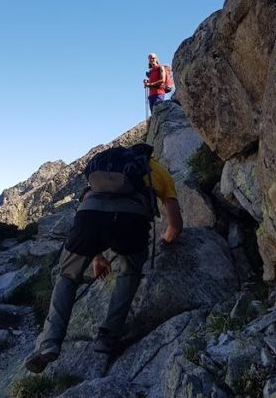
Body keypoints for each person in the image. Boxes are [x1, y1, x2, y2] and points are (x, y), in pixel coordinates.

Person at [24, 145, 183, 373]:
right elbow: (175, 226)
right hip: (130, 220)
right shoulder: (155, 170)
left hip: (88, 216)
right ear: (150, 155)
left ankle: (49, 341)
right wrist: (166, 242)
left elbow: (92, 206)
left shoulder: (107, 170)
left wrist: (96, 256)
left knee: (67, 277)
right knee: (129, 272)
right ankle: (107, 337)